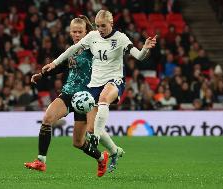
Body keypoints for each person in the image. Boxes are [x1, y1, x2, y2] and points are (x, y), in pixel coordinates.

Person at [43, 10, 157, 149]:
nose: (100, 29)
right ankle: (115, 150)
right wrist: (54, 63)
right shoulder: (92, 36)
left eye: (103, 26)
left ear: (111, 23)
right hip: (95, 83)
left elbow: (139, 56)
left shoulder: (120, 38)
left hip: (115, 79)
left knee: (103, 100)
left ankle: (95, 137)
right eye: (97, 26)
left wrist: (145, 48)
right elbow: (72, 49)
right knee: (91, 128)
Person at [24, 15, 122, 177]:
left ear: (86, 32)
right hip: (68, 93)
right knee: (47, 118)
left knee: (78, 142)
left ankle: (101, 157)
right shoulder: (72, 50)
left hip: (86, 97)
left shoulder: (94, 48)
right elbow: (61, 67)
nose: (76, 35)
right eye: (74, 32)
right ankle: (41, 161)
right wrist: (42, 74)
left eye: (79, 31)